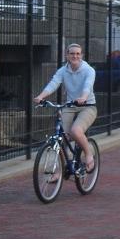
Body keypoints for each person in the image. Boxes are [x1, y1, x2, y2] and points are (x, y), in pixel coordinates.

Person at [34, 43, 97, 177]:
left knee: (75, 131)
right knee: (60, 137)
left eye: (78, 54)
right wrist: (41, 96)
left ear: (81, 55)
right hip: (70, 105)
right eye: (72, 53)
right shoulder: (63, 70)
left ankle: (88, 154)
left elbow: (88, 85)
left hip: (87, 106)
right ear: (67, 55)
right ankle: (60, 170)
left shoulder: (89, 70)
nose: (75, 56)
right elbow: (53, 84)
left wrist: (83, 97)